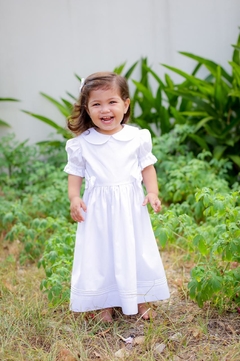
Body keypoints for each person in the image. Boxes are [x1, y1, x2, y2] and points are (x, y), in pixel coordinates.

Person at [64, 72, 170, 322]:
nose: (105, 110)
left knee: (135, 249)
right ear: (87, 109)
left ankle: (140, 297)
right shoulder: (83, 143)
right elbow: (75, 173)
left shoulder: (136, 137)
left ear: (126, 103)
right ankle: (104, 303)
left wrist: (152, 191)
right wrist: (74, 198)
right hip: (98, 209)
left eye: (112, 102)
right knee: (101, 253)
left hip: (130, 206)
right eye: (96, 104)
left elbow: (147, 167)